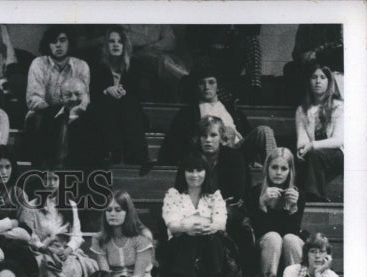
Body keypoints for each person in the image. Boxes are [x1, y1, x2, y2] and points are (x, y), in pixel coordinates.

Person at [159, 66, 276, 168]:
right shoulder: (188, 112)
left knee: (264, 131)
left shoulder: (232, 109)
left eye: (211, 82)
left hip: (239, 151)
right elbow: (180, 142)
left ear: (217, 85)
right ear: (196, 86)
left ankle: (274, 171)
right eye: (201, 83)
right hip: (211, 153)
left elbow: (247, 134)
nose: (206, 87)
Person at [159, 151, 233, 277]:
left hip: (209, 239)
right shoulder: (173, 194)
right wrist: (187, 227)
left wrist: (208, 227)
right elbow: (172, 224)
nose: (194, 175)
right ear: (182, 173)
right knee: (189, 238)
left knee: (212, 238)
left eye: (199, 170)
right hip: (180, 243)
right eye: (190, 170)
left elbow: (221, 223)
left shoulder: (214, 195)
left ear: (206, 172)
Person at [21, 169, 96, 277]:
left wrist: (68, 249)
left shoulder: (70, 205)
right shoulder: (31, 206)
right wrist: (44, 247)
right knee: (50, 273)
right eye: (46, 179)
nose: (50, 183)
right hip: (42, 253)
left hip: (65, 253)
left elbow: (77, 235)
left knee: (89, 268)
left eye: (54, 179)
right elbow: (29, 235)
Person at [23, 26, 90, 166]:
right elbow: (33, 99)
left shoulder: (81, 66)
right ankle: (47, 166)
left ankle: (73, 167)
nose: (58, 45)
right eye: (53, 42)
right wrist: (58, 110)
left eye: (62, 40)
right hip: (44, 111)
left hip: (73, 111)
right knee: (46, 118)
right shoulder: (39, 64)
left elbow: (84, 97)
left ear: (69, 42)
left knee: (80, 120)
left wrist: (72, 110)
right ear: (48, 45)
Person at [90, 26, 152, 172]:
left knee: (128, 102)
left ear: (125, 45)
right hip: (104, 114)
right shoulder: (98, 66)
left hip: (129, 115)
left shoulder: (133, 66)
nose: (116, 44)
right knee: (108, 101)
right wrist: (106, 90)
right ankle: (114, 152)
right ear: (106, 46)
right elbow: (91, 93)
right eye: (112, 41)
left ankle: (139, 156)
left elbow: (141, 93)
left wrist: (125, 91)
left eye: (120, 41)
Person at [89, 191, 156, 277]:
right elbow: (105, 274)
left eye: (118, 210)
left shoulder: (143, 236)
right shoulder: (99, 238)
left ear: (128, 212)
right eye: (108, 210)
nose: (112, 214)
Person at [245, 148, 305, 277]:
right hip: (267, 246)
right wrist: (262, 205)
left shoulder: (296, 194)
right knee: (273, 238)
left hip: (289, 246)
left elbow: (292, 232)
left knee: (291, 239)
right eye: (274, 167)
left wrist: (293, 208)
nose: (278, 172)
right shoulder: (255, 192)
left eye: (284, 169)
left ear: (290, 171)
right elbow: (258, 231)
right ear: (267, 168)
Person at [295, 63, 344, 202]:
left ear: (329, 82)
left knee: (315, 154)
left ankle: (314, 196)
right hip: (314, 155)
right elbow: (302, 138)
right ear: (309, 81)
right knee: (298, 159)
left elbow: (338, 140)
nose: (318, 81)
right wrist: (301, 150)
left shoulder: (339, 106)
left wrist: (312, 145)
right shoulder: (302, 110)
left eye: (322, 77)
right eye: (314, 77)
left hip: (337, 154)